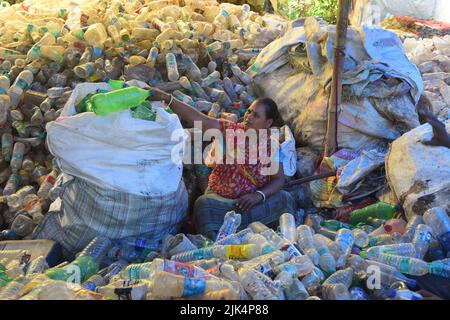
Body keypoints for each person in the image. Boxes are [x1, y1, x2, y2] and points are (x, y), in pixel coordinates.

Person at [149, 88, 296, 240]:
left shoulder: (270, 146)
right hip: (221, 203)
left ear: (268, 123)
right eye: (249, 112)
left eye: (256, 115)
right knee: (203, 204)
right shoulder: (229, 130)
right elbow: (197, 118)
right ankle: (219, 244)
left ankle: (270, 238)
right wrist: (167, 97)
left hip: (251, 204)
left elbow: (278, 179)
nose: (249, 117)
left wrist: (258, 195)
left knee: (285, 199)